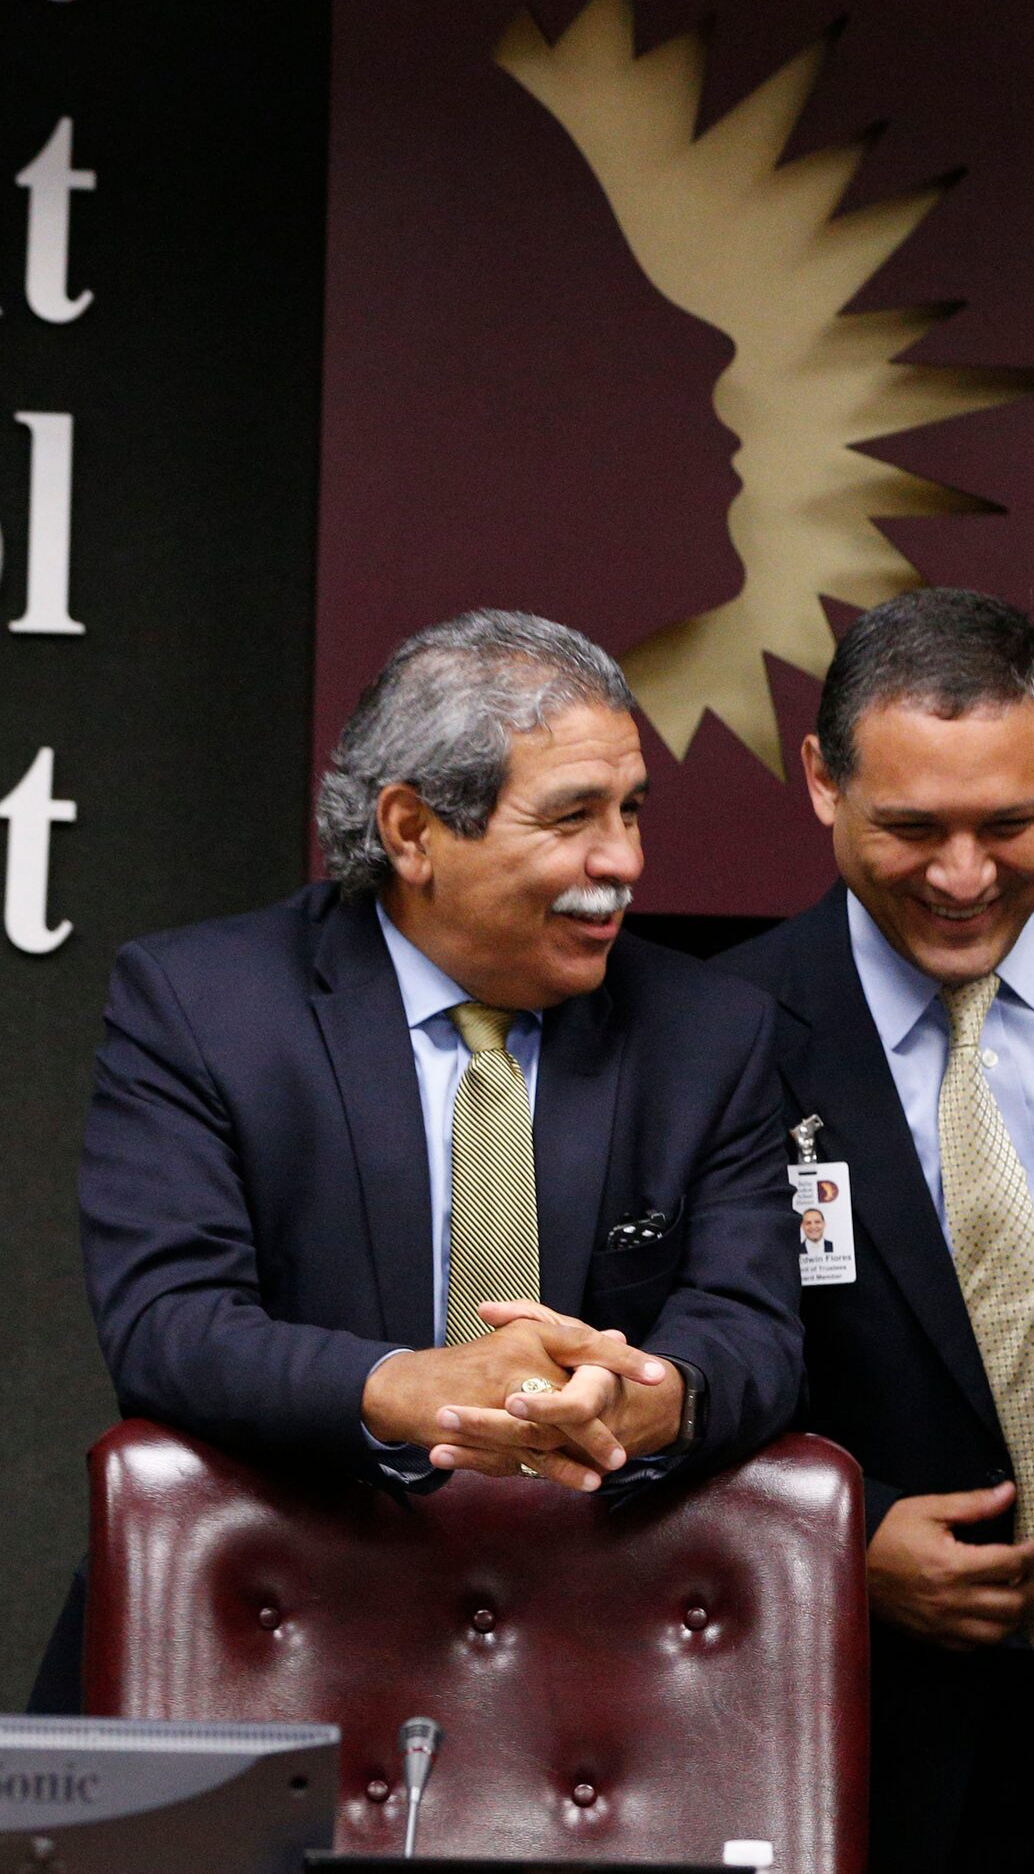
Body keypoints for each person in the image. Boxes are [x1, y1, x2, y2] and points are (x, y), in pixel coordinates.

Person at [33, 609, 803, 1710]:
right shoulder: (202, 1007)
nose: (622, 862)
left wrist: (643, 1398)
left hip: (606, 1659)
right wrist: (417, 1388)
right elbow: (170, 1327)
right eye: (572, 817)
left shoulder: (709, 1032)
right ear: (410, 830)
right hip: (262, 1629)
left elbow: (757, 1331)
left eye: (631, 811)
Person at [716, 587, 1034, 1874]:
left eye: (1008, 823)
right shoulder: (716, 1035)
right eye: (911, 828)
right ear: (823, 783)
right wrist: (839, 1535)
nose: (961, 877)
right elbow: (691, 1374)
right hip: (904, 1730)